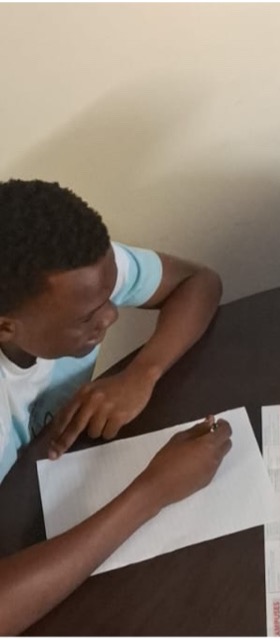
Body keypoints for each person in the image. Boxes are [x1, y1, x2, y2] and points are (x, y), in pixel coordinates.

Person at [0, 179, 231, 633]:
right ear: (7, 327)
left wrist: (142, 372)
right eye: (89, 316)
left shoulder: (78, 275)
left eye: (112, 293)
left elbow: (199, 281)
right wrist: (152, 492)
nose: (111, 315)